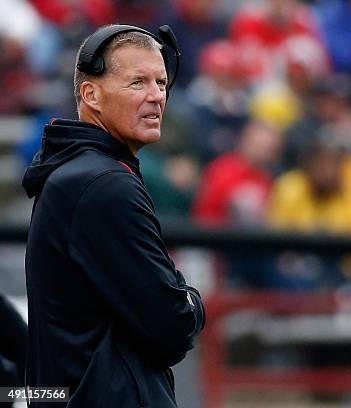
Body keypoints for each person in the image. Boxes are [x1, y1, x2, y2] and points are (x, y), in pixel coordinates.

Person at [21, 25, 205, 407]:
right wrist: (190, 299)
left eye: (161, 82)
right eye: (137, 82)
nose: (157, 96)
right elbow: (173, 326)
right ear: (91, 94)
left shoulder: (79, 173)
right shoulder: (104, 183)